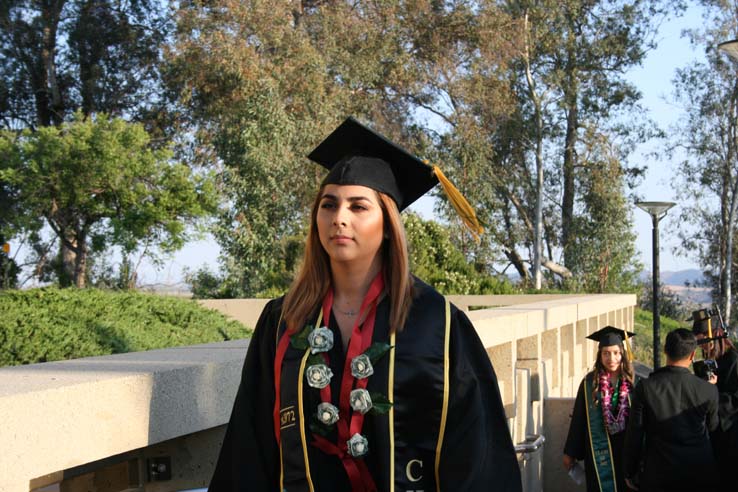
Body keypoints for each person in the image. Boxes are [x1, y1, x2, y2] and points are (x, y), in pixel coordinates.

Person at [208, 117, 522, 491]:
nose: (339, 218)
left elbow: (477, 453)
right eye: (329, 205)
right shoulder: (283, 320)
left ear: (388, 224)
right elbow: (250, 445)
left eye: (358, 207)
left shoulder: (437, 324)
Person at [623, 328, 719, 492]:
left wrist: (629, 471)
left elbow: (635, 434)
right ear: (692, 355)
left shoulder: (645, 387)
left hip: (659, 474)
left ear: (665, 350)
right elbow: (713, 428)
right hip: (699, 473)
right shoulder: (708, 390)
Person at [563, 326, 637, 492]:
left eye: (616, 353)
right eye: (606, 353)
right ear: (600, 355)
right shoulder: (590, 383)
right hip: (599, 453)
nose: (611, 358)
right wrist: (570, 452)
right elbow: (579, 420)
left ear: (622, 354)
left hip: (628, 452)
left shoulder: (634, 383)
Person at [690, 308, 738, 490]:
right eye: (699, 342)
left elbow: (735, 399)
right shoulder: (709, 360)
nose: (702, 345)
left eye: (704, 340)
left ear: (716, 335)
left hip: (729, 432)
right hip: (710, 429)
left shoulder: (733, 360)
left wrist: (711, 393)